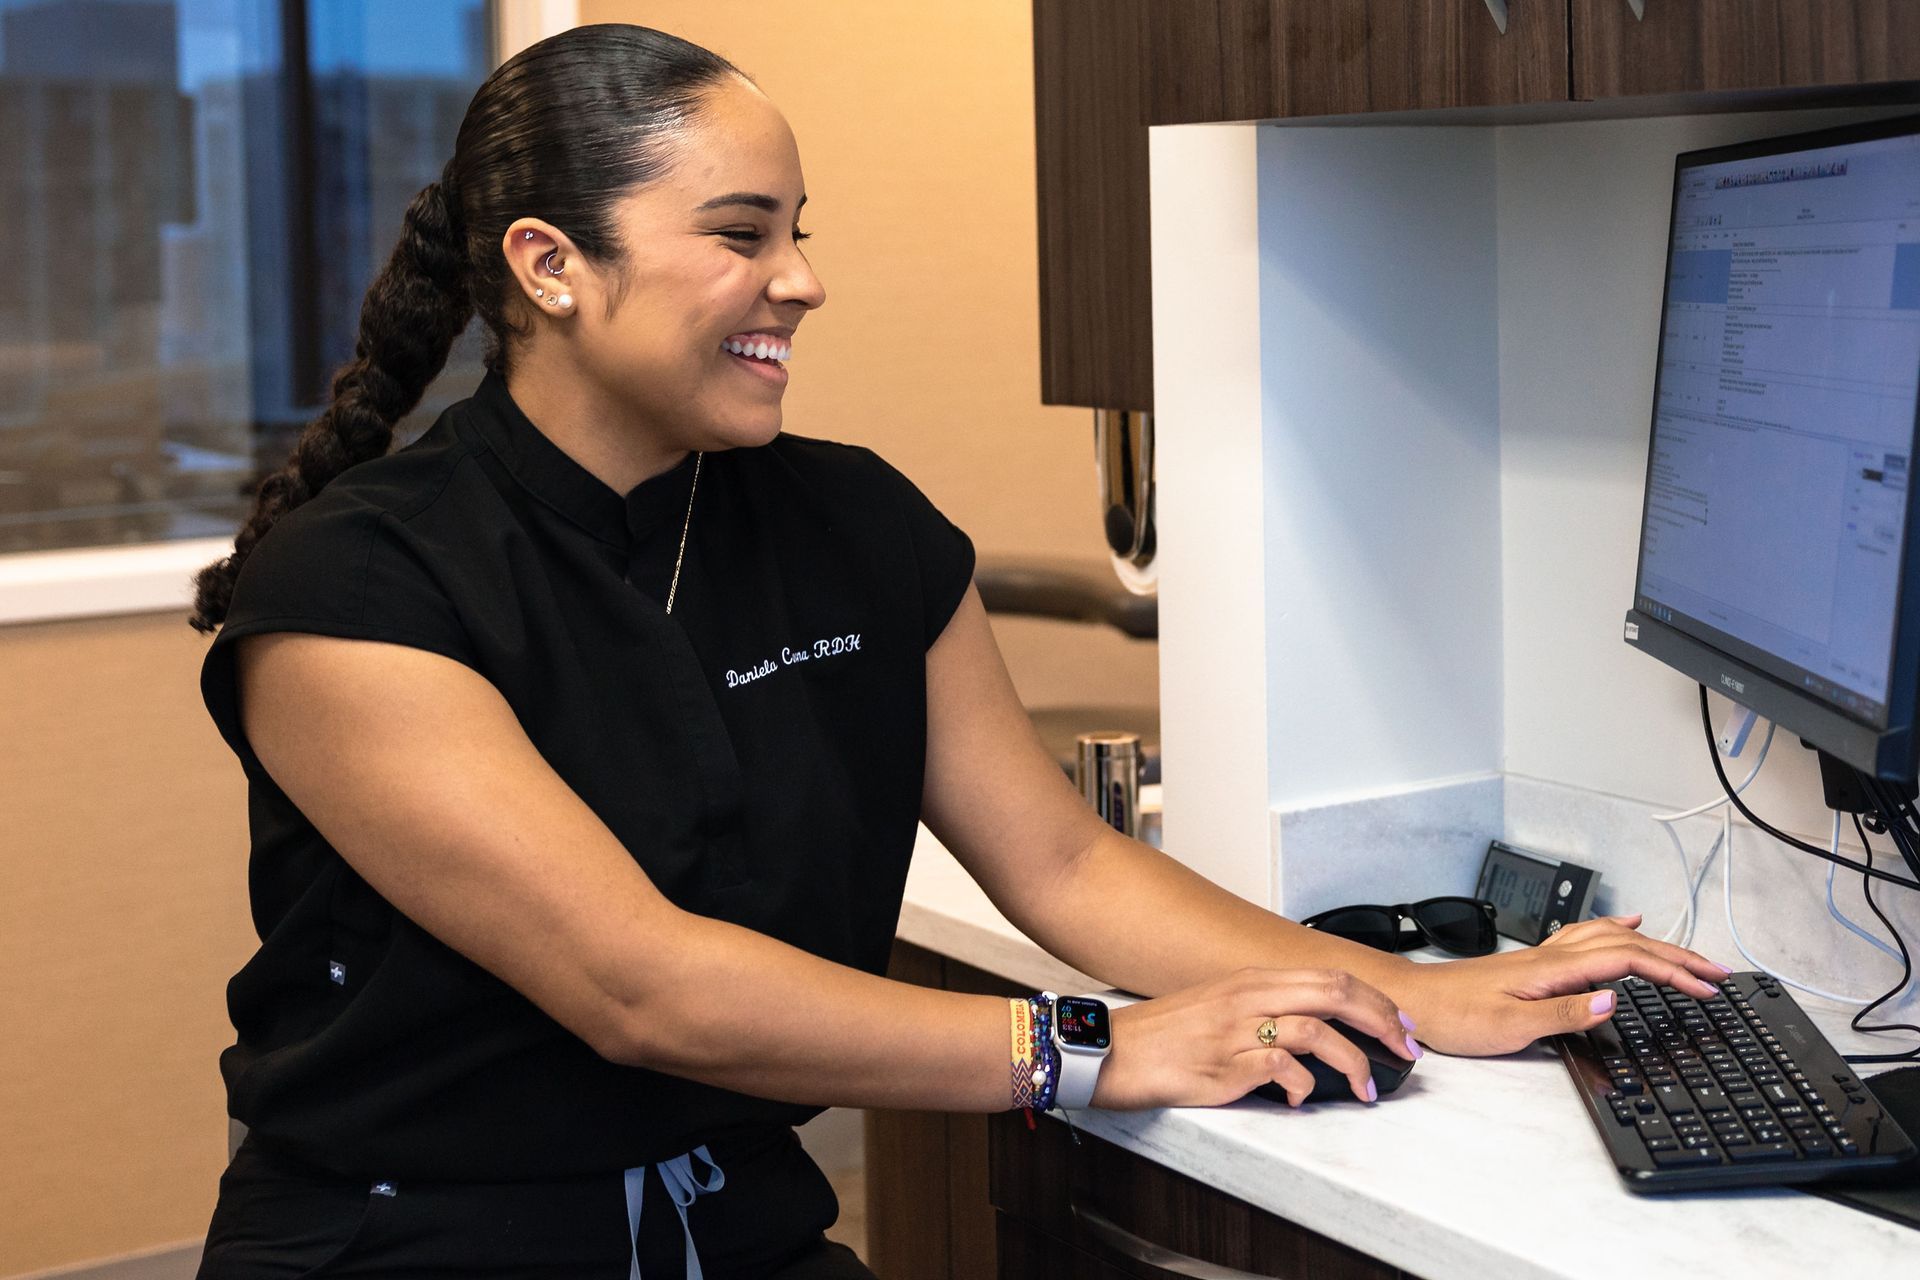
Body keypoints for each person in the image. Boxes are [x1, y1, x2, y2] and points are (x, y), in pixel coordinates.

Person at [185, 23, 1732, 1280]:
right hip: (414, 1242)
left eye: (797, 233)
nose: (799, 279)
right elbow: (637, 987)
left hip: (738, 1222)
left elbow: (1059, 864)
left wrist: (1409, 992)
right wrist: (1090, 1051)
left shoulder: (849, 523)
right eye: (738, 236)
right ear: (547, 265)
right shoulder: (356, 589)